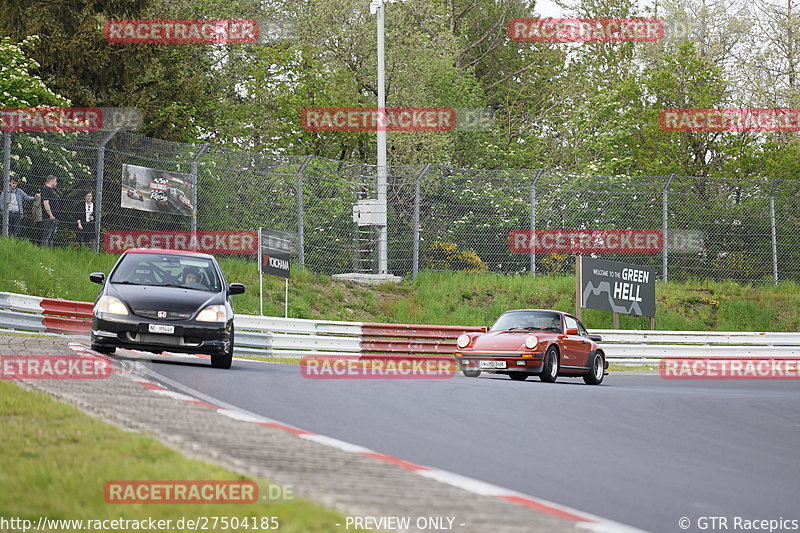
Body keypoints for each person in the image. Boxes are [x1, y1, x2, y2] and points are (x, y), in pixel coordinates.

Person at [39, 175, 59, 247]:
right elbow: (46, 203)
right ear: (51, 181)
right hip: (49, 217)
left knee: (51, 237)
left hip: (53, 217)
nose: (56, 183)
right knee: (47, 236)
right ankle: (44, 251)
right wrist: (50, 215)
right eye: (55, 181)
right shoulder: (46, 189)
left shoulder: (50, 190)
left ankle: (49, 252)